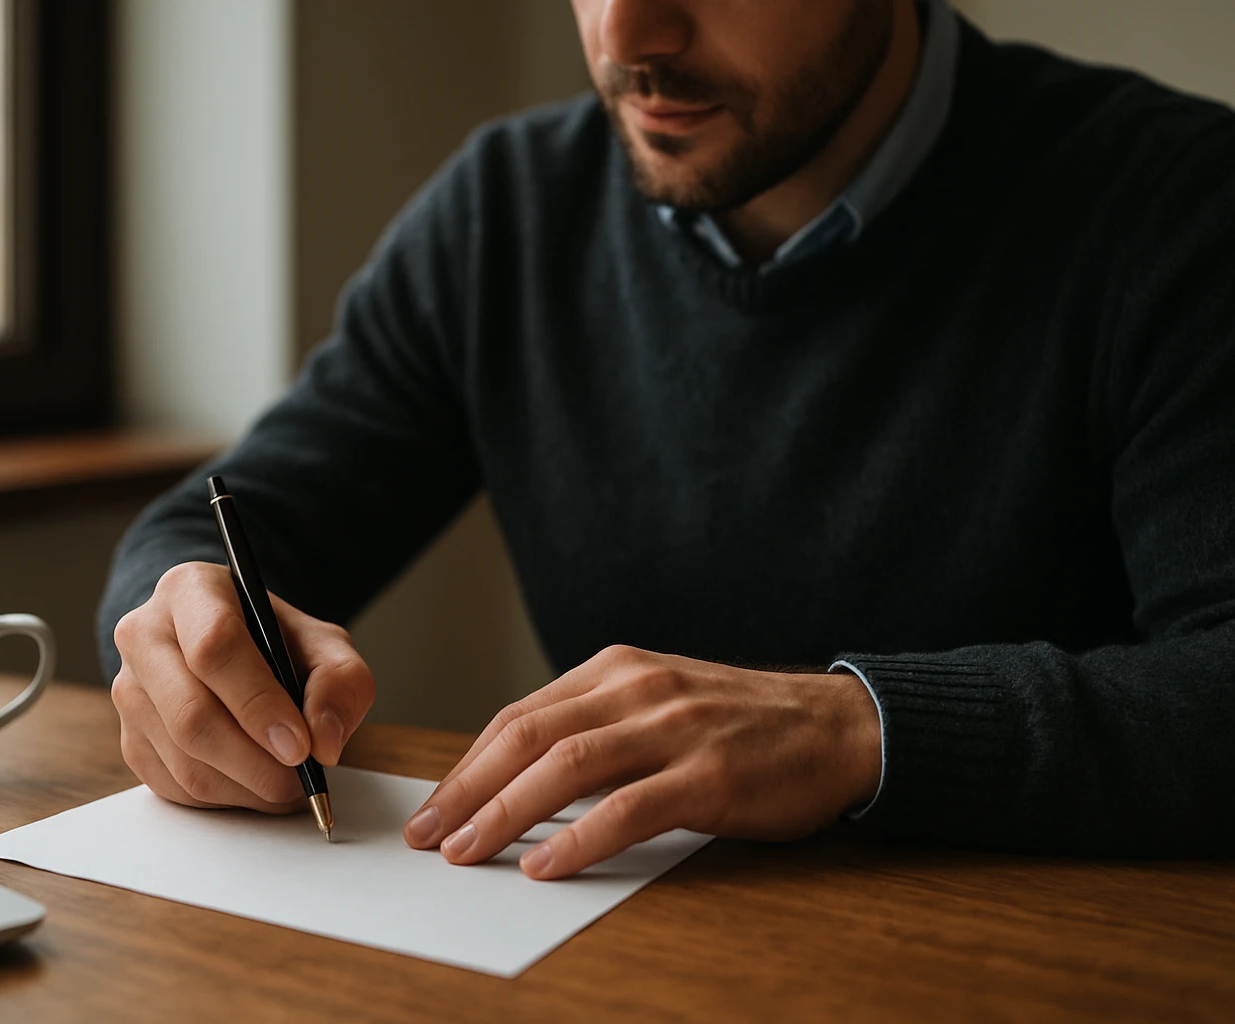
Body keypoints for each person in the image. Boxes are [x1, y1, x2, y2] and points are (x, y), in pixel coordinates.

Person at [98, 0, 1235, 879]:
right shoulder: (505, 214)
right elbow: (215, 527)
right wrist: (184, 632)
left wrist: (859, 729)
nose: (627, 34)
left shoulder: (1180, 209)